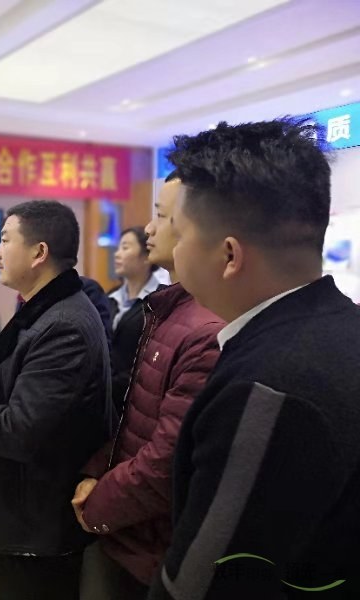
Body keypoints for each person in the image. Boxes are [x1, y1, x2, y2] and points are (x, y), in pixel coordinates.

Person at [149, 119, 360, 599]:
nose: (172, 249)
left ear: (229, 255)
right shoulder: (341, 325)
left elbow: (198, 585)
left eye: (179, 232)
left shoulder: (268, 387)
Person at [0, 200, 114, 600]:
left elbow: (21, 429)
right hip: (25, 514)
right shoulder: (46, 310)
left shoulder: (64, 325)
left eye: (5, 240)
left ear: (39, 252)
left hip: (38, 521)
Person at [72, 175, 223, 599]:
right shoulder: (169, 310)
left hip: (151, 541)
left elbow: (166, 457)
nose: (150, 229)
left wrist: (99, 505)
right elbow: (133, 412)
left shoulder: (205, 329)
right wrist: (96, 471)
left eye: (161, 216)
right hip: (129, 527)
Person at [108, 227, 162, 412]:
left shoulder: (160, 300)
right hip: (106, 402)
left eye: (125, 247)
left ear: (146, 256)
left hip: (137, 401)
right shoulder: (110, 297)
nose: (117, 254)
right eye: (118, 248)